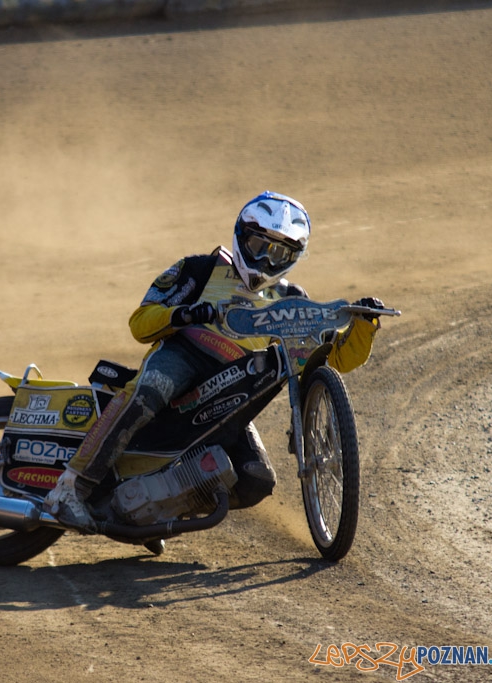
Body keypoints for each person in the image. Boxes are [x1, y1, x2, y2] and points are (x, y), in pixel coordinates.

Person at [44, 191, 385, 532]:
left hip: (235, 390)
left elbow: (331, 360)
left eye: (279, 252)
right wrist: (186, 314)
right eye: (257, 245)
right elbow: (140, 323)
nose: (266, 259)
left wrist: (363, 328)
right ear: (240, 236)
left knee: (256, 479)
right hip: (184, 356)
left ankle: (150, 510)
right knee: (150, 390)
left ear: (294, 257)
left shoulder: (293, 300)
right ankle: (69, 488)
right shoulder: (199, 268)